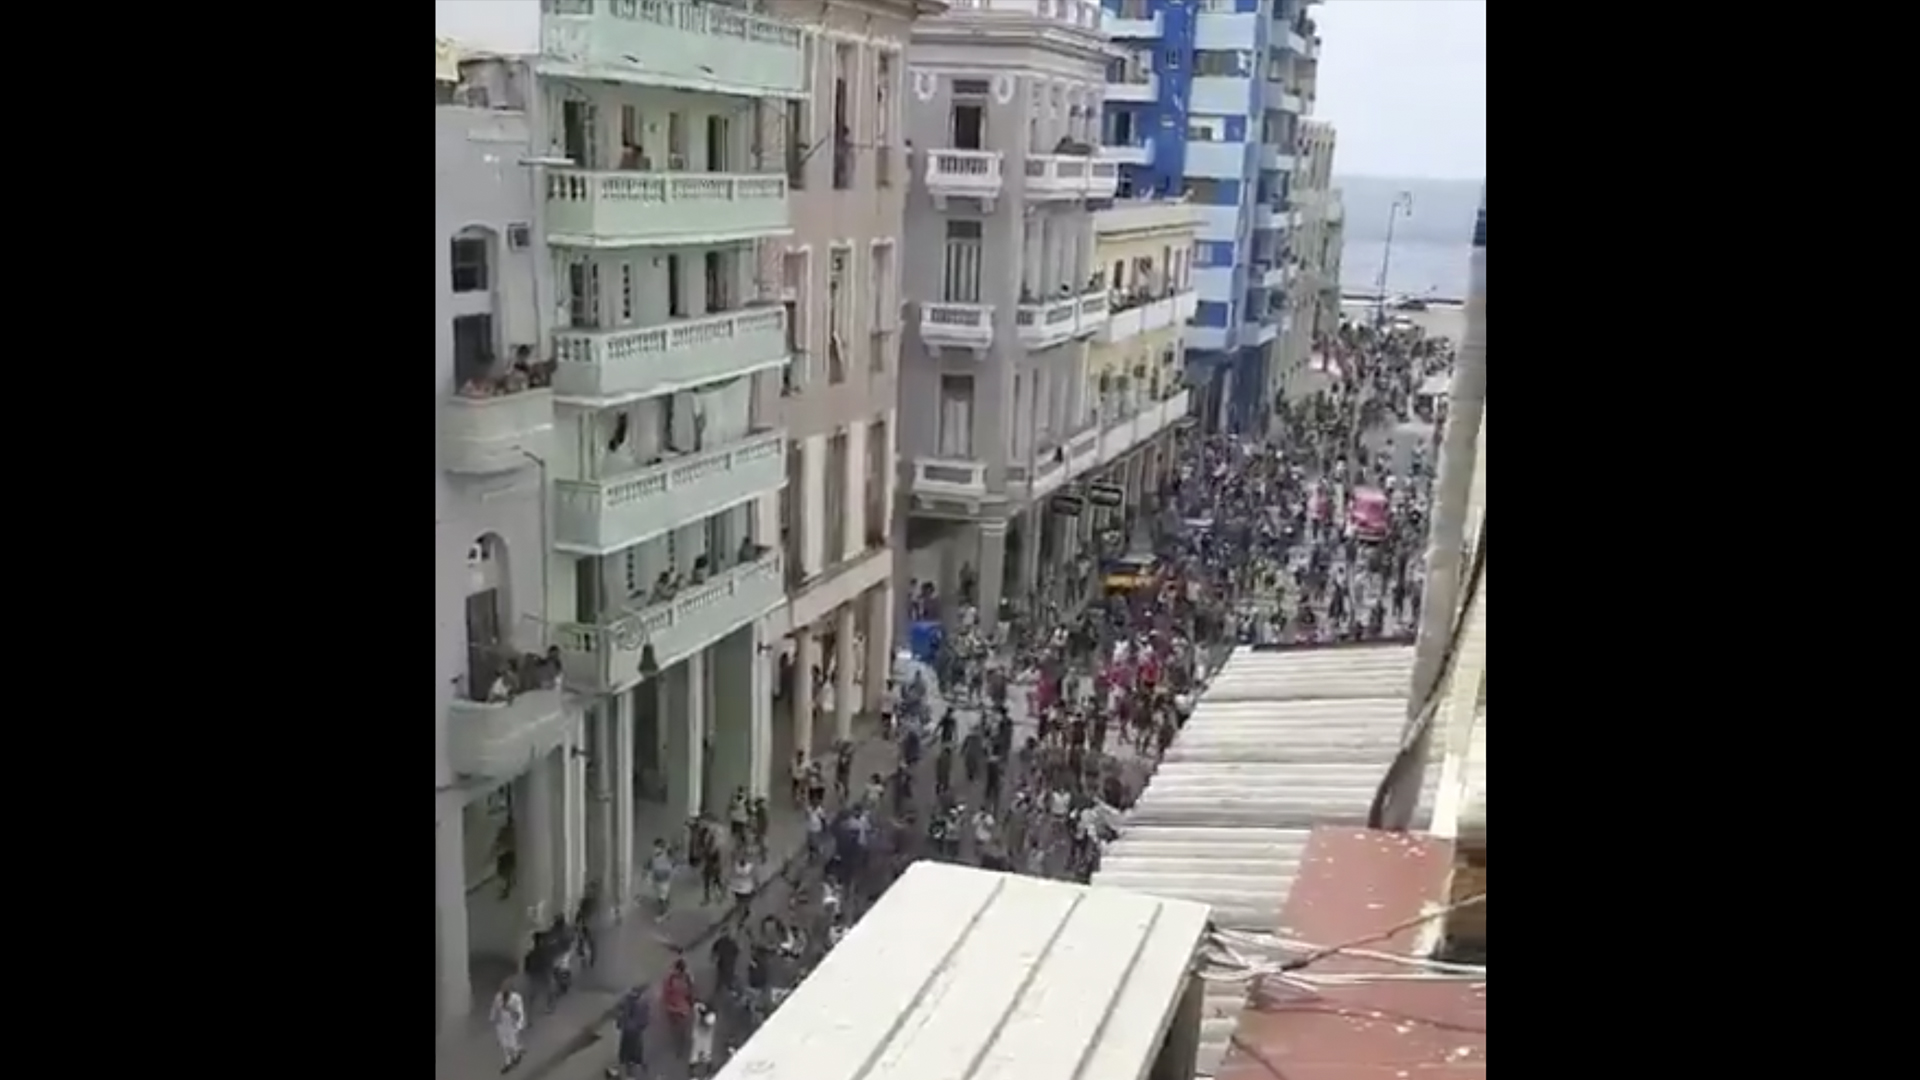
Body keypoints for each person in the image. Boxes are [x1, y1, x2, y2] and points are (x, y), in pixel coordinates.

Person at [490, 979, 526, 1072]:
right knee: (504, 1044)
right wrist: (493, 1018)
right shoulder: (498, 997)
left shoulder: (516, 998)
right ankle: (508, 1062)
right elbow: (494, 1007)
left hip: (511, 1023)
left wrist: (519, 1024)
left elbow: (520, 1012)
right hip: (501, 1023)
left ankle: (517, 1053)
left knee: (512, 1044)